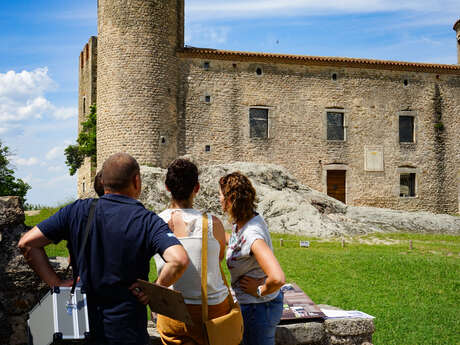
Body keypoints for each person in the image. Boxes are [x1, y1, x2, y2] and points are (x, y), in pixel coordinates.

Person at [18, 153, 189, 345]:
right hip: (128, 330)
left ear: (102, 181)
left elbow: (28, 243)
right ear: (137, 181)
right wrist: (156, 287)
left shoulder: (77, 210)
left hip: (82, 326)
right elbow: (179, 259)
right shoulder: (147, 220)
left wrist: (56, 283)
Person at [154, 158, 230, 345]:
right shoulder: (214, 223)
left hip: (174, 313)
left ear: (167, 187)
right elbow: (219, 258)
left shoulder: (155, 223)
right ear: (196, 188)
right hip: (213, 311)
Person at [219, 172, 285, 345]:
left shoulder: (252, 234)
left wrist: (260, 289)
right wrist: (213, 233)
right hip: (253, 308)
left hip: (259, 309)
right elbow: (237, 243)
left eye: (221, 195)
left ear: (230, 199)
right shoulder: (243, 221)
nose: (218, 199)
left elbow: (277, 278)